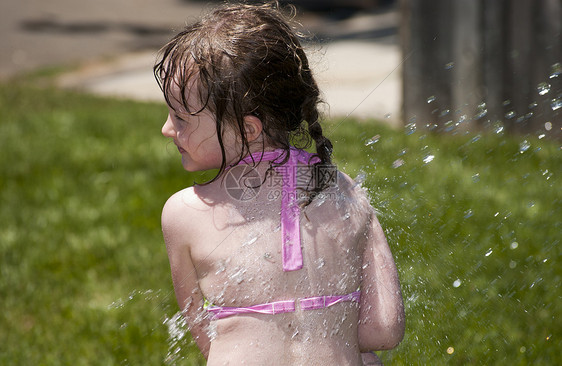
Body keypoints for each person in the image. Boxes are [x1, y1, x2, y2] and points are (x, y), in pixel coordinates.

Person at [154, 3, 404, 365]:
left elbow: (208, 337)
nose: (167, 129)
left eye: (180, 118)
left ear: (250, 129)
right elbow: (384, 329)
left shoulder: (184, 214)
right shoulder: (347, 192)